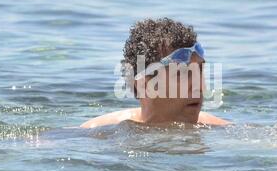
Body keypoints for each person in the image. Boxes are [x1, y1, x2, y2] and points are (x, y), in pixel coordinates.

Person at [81, 18, 231, 128]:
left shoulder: (221, 130)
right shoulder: (98, 133)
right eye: (182, 73)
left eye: (199, 70)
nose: (200, 87)